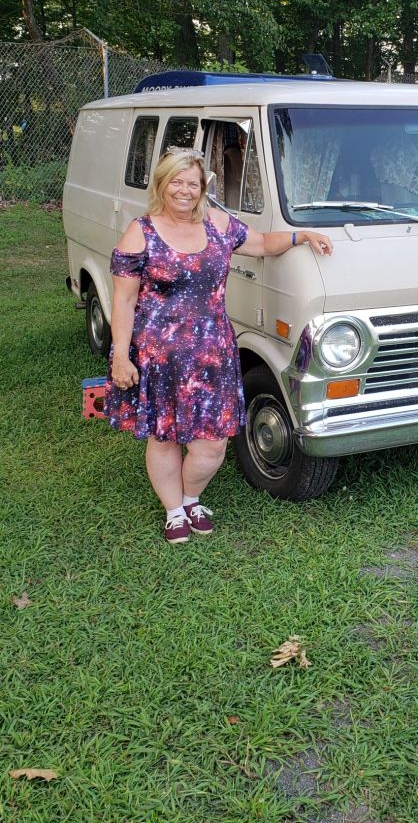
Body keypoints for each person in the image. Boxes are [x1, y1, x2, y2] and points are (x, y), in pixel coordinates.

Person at [104, 147, 333, 544]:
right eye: (176, 181)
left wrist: (301, 235)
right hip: (161, 357)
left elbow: (260, 243)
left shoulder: (217, 224)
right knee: (164, 434)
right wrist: (121, 355)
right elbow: (123, 299)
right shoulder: (142, 231)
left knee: (212, 444)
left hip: (213, 354)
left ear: (202, 188)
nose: (184, 190)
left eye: (192, 183)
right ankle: (174, 511)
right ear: (162, 184)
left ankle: (192, 498)